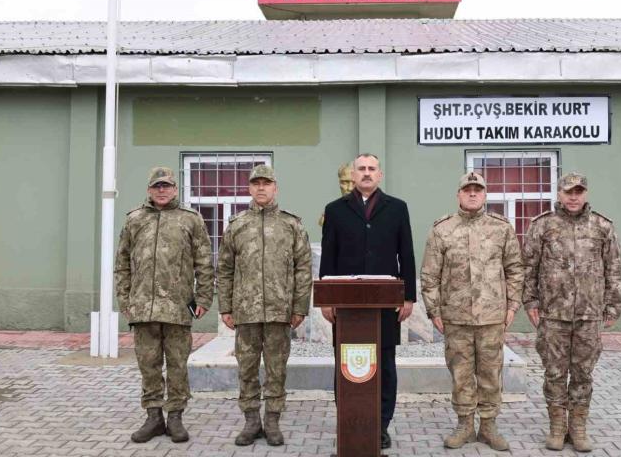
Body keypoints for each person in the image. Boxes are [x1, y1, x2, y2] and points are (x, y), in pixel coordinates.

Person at [420, 171, 525, 451]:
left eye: (478, 189)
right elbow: (429, 275)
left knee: (490, 373)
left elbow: (515, 269)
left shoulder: (501, 228)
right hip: (456, 318)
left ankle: (488, 426)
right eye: (467, 189)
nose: (473, 193)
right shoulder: (442, 229)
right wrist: (434, 311)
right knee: (461, 374)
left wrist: (512, 305)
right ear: (459, 194)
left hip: (492, 317)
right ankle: (465, 425)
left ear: (485, 194)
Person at [319, 152, 416, 450]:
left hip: (384, 305)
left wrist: (408, 297)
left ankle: (381, 426)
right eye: (361, 168)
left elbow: (406, 253)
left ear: (380, 174)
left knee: (384, 366)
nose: (366, 173)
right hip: (347, 309)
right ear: (353, 174)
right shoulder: (335, 210)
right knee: (345, 365)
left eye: (372, 168)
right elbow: (328, 256)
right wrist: (326, 299)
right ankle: (349, 422)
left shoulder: (397, 208)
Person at [522, 172, 621, 452]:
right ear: (559, 194)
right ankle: (557, 426)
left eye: (578, 192)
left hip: (589, 315)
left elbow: (614, 267)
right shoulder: (543, 225)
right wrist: (530, 302)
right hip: (553, 315)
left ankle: (578, 427)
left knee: (583, 373)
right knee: (554, 372)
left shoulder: (602, 226)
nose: (573, 197)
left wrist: (613, 304)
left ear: (585, 194)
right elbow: (529, 267)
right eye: (568, 192)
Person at [115, 166, 214, 444]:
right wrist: (125, 299)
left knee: (177, 365)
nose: (161, 190)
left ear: (175, 189)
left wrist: (204, 298)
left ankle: (175, 418)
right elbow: (122, 263)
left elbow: (204, 262)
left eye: (166, 186)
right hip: (143, 308)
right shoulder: (135, 219)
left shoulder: (190, 219)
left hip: (177, 308)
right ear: (149, 190)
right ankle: (153, 417)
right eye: (157, 186)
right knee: (148, 365)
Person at [216, 164, 312, 447]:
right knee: (246, 368)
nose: (261, 188)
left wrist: (299, 307)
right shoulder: (237, 225)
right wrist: (225, 307)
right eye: (256, 183)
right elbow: (225, 269)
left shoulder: (291, 224)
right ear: (249, 188)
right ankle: (251, 421)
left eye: (266, 183)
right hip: (245, 312)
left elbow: (303, 269)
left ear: (275, 188)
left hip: (279, 312)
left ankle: (272, 420)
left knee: (276, 369)